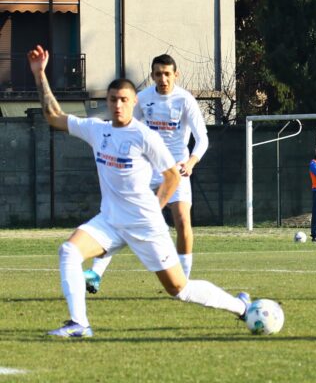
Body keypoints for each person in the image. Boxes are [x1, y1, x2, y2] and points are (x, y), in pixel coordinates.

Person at [28, 45, 249, 337]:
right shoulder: (97, 129)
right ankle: (79, 324)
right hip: (110, 221)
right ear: (107, 102)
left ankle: (242, 307)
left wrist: (154, 208)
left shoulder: (145, 137)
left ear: (134, 102)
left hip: (145, 224)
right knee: (68, 251)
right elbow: (54, 117)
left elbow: (172, 177)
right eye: (112, 100)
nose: (117, 105)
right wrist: (40, 74)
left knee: (179, 289)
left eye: (123, 100)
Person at [84, 54, 208, 291]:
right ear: (152, 76)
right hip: (145, 169)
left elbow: (202, 138)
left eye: (167, 74)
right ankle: (96, 273)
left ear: (176, 75)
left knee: (182, 219)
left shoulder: (185, 100)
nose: (163, 78)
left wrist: (191, 162)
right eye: (158, 74)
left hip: (175, 170)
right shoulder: (142, 99)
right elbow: (128, 126)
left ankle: (183, 279)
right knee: (121, 217)